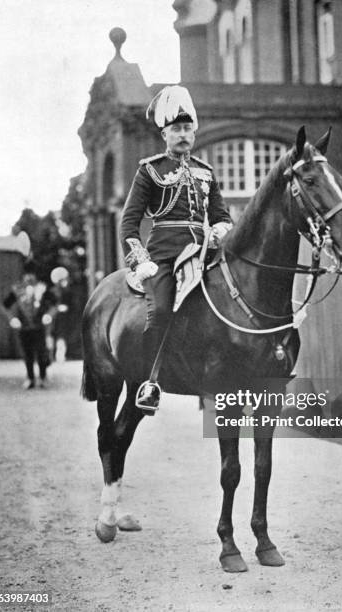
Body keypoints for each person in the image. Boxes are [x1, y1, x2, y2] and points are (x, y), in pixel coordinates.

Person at [120, 85, 232, 411]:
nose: (183, 135)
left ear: (194, 132)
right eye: (176, 129)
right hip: (165, 256)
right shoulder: (150, 170)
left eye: (187, 129)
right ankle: (150, 382)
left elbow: (222, 216)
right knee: (161, 313)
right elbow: (129, 223)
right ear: (164, 134)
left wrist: (220, 232)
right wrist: (142, 262)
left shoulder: (206, 172)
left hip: (205, 253)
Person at [3, 267, 57, 389]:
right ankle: (30, 378)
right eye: (27, 275)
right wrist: (12, 318)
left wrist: (49, 314)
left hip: (39, 326)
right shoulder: (17, 290)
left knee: (41, 353)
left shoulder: (42, 288)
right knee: (27, 354)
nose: (29, 278)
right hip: (24, 327)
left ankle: (43, 377)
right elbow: (5, 305)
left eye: (32, 275)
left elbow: (55, 304)